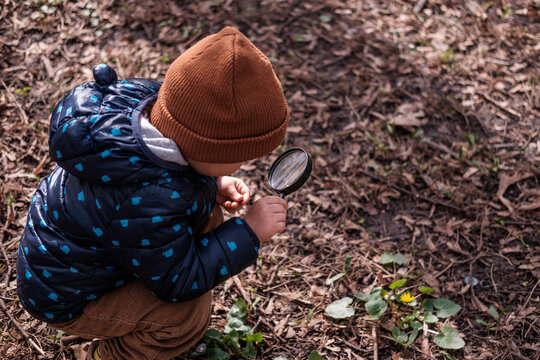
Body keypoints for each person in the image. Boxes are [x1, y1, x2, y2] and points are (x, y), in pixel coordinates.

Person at [16, 26, 289, 360]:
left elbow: (178, 168)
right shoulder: (149, 199)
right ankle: (106, 356)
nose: (246, 163)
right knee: (184, 318)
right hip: (69, 295)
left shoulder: (147, 111)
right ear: (209, 150)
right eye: (242, 156)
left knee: (206, 221)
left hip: (81, 257)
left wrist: (213, 185)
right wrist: (249, 233)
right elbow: (178, 280)